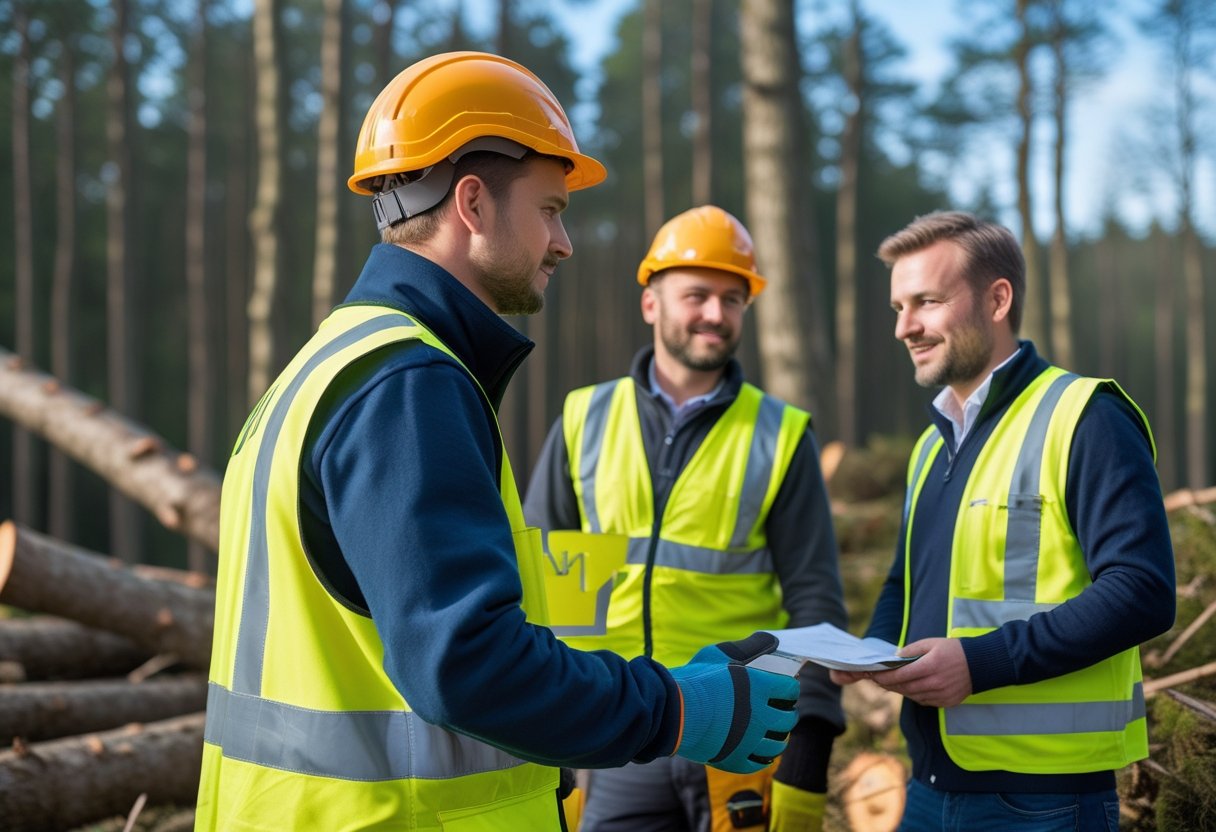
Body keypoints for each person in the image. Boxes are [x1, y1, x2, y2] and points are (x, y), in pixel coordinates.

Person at [195, 53, 802, 831]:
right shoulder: (408, 383)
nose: (565, 242)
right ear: (473, 204)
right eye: (551, 209)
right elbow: (468, 666)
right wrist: (679, 708)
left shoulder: (327, 361)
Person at [832, 210, 1176, 830]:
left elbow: (1143, 592)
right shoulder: (931, 447)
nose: (904, 327)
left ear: (997, 299)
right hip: (926, 789)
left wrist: (980, 663)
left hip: (1044, 803)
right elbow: (902, 582)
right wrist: (874, 652)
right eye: (897, 307)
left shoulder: (1086, 417)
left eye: (926, 302)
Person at [524, 205, 847, 832]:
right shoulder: (582, 419)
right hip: (615, 729)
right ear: (651, 303)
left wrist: (809, 745)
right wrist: (548, 732)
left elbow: (816, 602)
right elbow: (546, 595)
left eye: (733, 299)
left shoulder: (781, 434)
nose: (715, 314)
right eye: (696, 294)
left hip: (743, 733)